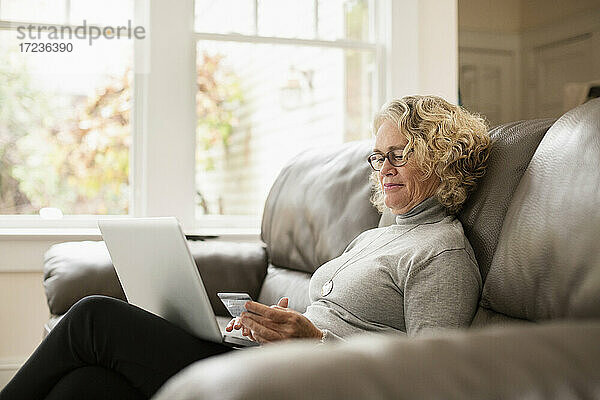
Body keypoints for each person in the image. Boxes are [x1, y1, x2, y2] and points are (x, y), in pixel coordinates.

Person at [0, 95, 491, 400]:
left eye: (398, 155)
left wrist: (317, 344)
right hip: (272, 362)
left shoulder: (441, 253)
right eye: (378, 156)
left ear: (440, 157)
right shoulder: (380, 234)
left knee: (94, 318)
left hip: (306, 386)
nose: (382, 168)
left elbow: (433, 378)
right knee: (87, 387)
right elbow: (328, 318)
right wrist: (269, 325)